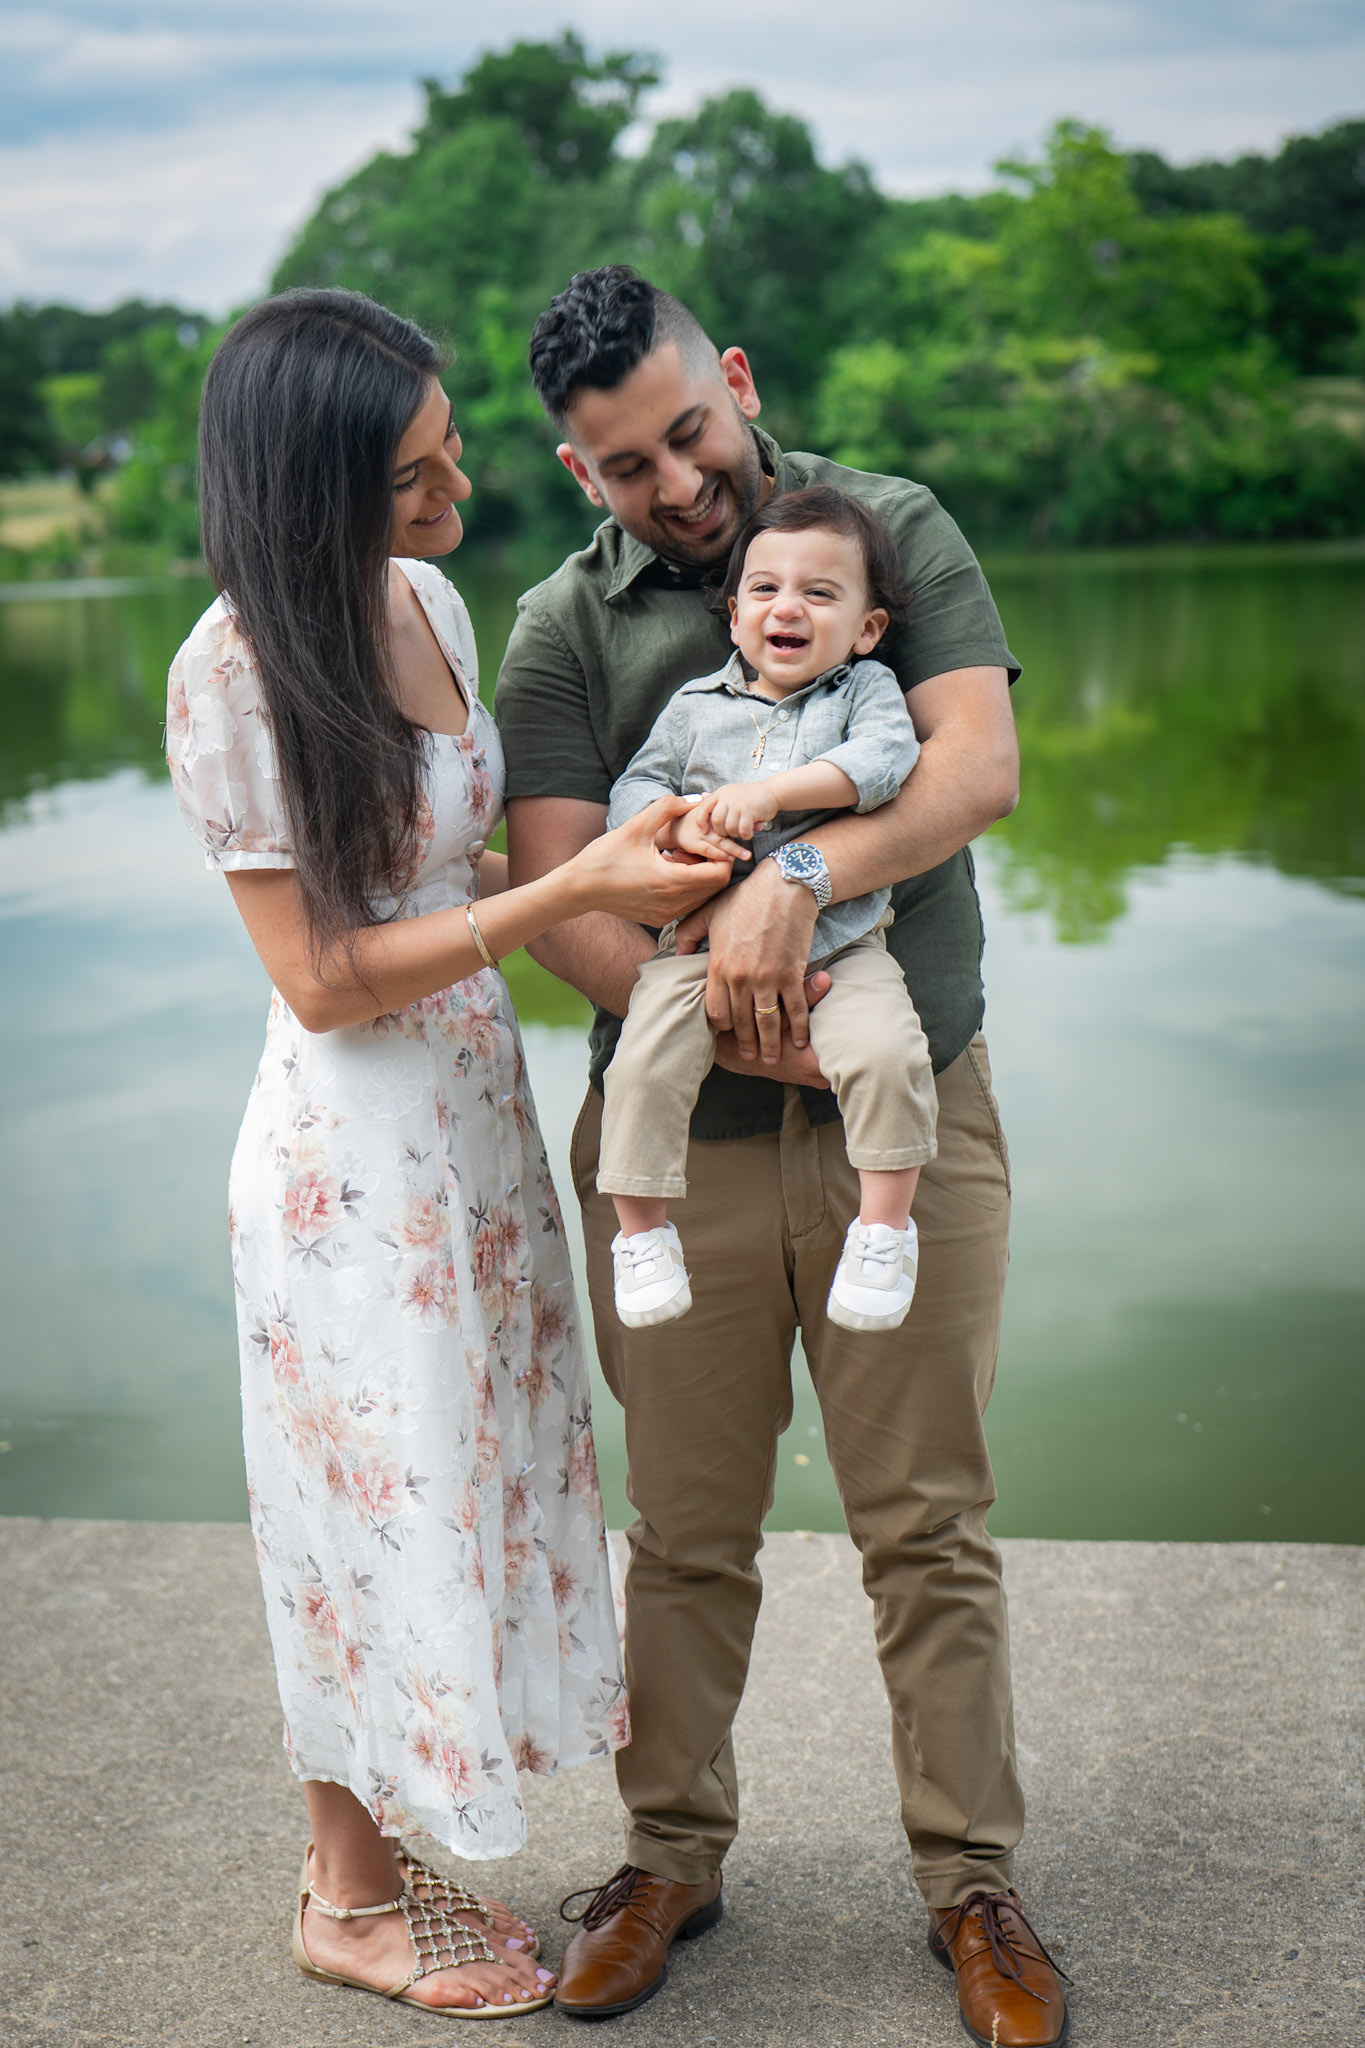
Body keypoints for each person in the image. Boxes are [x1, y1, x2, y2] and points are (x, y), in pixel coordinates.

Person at [496, 266, 1069, 2045]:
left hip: (906, 1110)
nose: (676, 483)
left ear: (734, 378)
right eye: (626, 465)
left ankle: (972, 1885)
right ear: (579, 471)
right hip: (679, 1145)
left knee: (929, 1528)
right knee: (682, 1534)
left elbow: (971, 768)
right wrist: (732, 1009)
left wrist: (795, 882)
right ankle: (666, 1859)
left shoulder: (888, 531)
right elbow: (559, 893)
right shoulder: (558, 629)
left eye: (690, 432)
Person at [166, 287, 730, 2020]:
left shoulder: (424, 602)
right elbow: (323, 975)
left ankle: (387, 1850)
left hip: (474, 1126)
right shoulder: (231, 672)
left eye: (452, 449)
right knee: (364, 1501)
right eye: (413, 476)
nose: (457, 492)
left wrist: (636, 873)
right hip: (354, 1163)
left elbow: (449, 862)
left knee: (467, 1482)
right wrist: (563, 896)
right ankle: (342, 1893)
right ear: (312, 490)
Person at [599, 486, 936, 1337]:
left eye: (819, 593)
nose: (787, 607)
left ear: (866, 628)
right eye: (764, 589)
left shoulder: (863, 690)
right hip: (697, 943)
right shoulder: (693, 708)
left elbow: (885, 761)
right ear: (734, 617)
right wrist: (675, 825)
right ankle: (640, 1236)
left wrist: (773, 794)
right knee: (639, 1064)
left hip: (843, 942)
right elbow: (637, 787)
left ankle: (884, 1230)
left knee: (887, 1053)